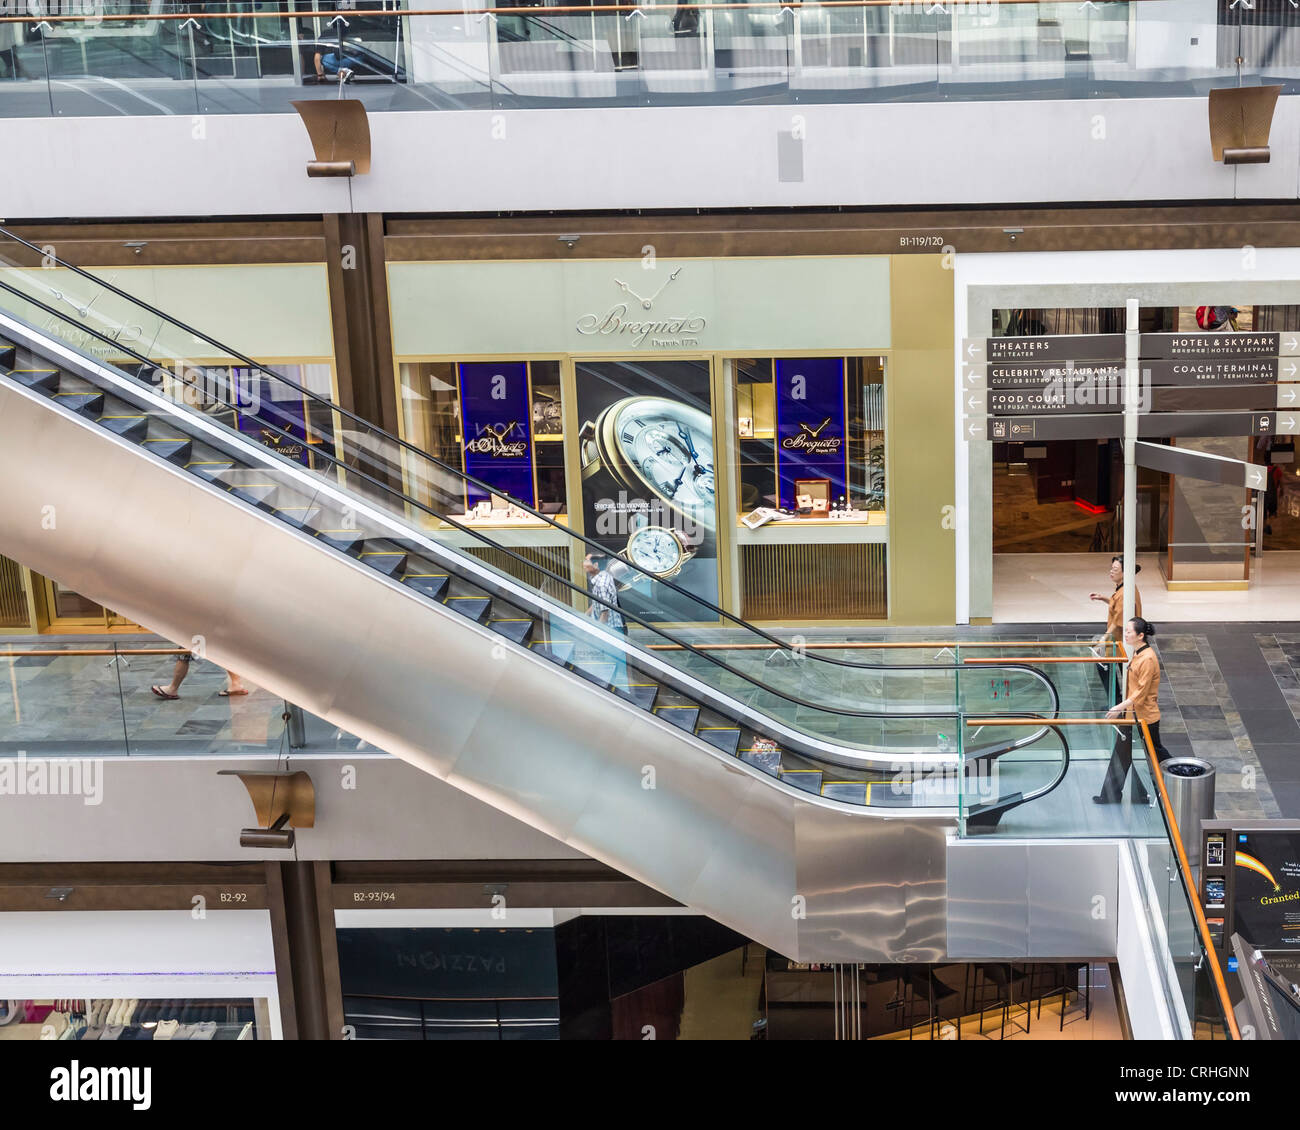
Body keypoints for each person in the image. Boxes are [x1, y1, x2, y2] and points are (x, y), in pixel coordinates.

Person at [1094, 616, 1170, 805]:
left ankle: (1179, 776)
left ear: (1141, 635)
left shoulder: (1148, 659)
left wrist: (1118, 708)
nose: (1126, 634)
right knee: (1122, 753)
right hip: (1133, 716)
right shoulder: (1139, 653)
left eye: (1129, 632)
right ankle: (1110, 795)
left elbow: (1141, 693)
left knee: (1156, 753)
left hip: (1144, 717)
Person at [1090, 554, 1141, 699]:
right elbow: (1117, 606)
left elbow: (1117, 623)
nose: (1111, 571)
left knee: (1103, 663)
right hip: (1122, 641)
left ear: (1125, 573)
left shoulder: (1124, 593)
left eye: (1115, 569)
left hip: (1122, 642)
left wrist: (1102, 640)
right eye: (1111, 568)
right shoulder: (1124, 588)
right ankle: (1118, 700)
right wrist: (1103, 598)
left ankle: (1116, 700)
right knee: (1120, 670)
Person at [583, 552, 628, 685]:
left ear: (596, 565)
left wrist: (597, 633)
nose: (584, 564)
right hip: (615, 628)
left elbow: (605, 613)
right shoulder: (603, 578)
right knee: (615, 661)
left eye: (587, 562)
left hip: (610, 629)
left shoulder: (601, 584)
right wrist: (585, 615)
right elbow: (600, 602)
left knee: (611, 662)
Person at [151, 653, 247, 700]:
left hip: (200, 627)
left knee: (184, 654)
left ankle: (172, 689)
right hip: (212, 624)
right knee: (221, 652)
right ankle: (236, 683)